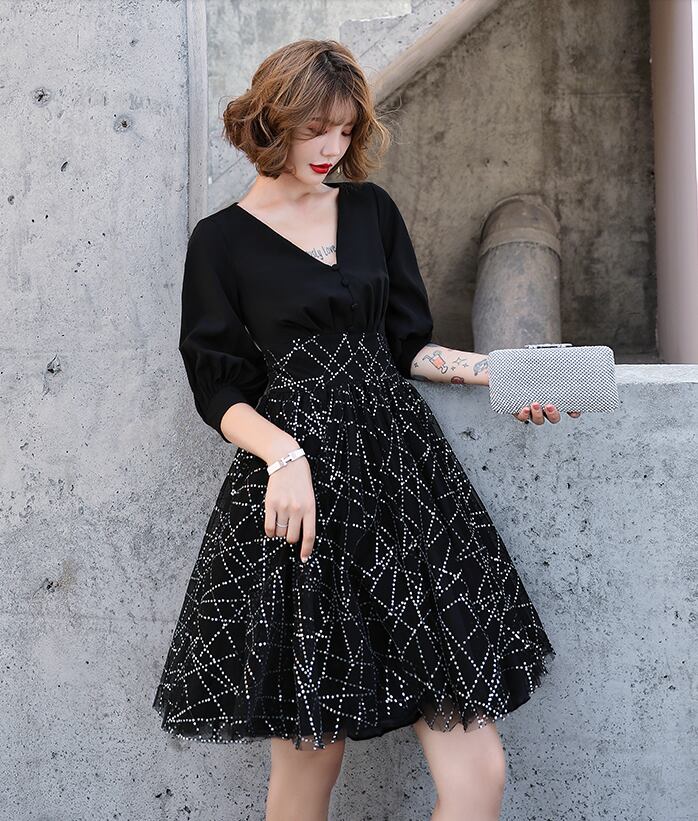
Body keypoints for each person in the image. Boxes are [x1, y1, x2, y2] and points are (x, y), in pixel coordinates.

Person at [153, 38, 580, 821]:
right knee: (308, 770)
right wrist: (283, 454)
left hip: (403, 485)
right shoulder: (220, 241)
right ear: (272, 120)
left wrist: (503, 374)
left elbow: (409, 345)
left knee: (479, 775)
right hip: (302, 508)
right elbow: (217, 386)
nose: (332, 146)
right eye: (315, 128)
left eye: (345, 129)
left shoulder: (371, 211)